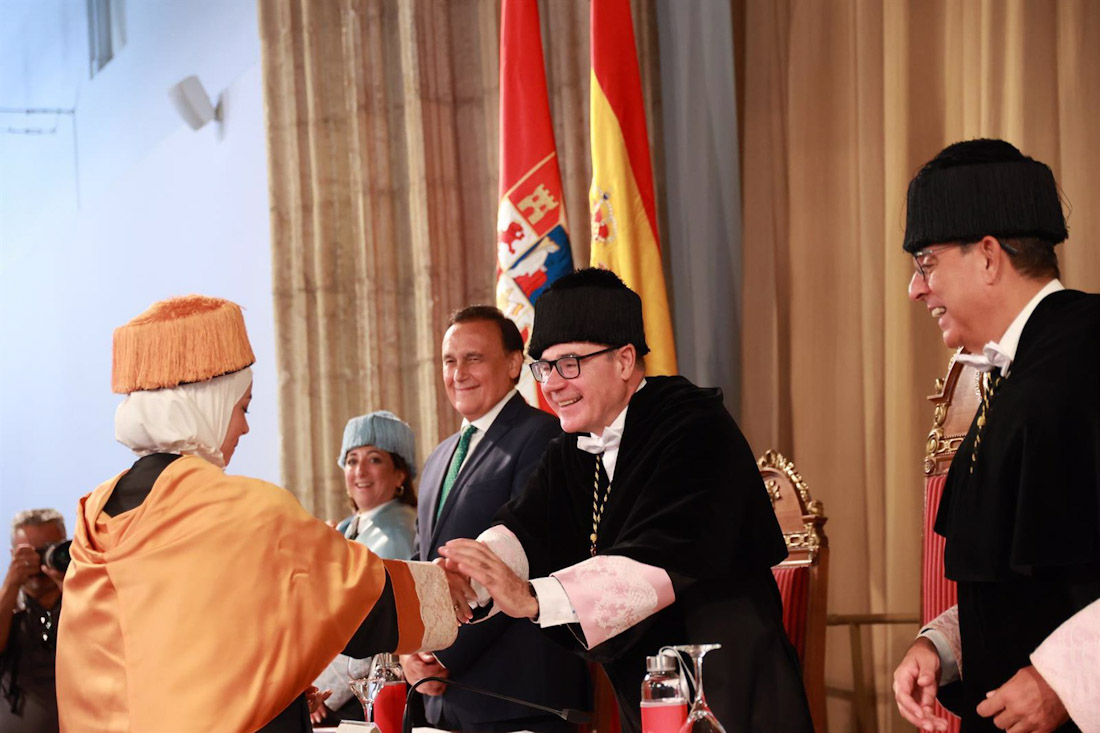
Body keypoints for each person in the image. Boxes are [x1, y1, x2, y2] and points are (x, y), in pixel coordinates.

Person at [56, 295, 462, 733]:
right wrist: (458, 586)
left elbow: (166, 657)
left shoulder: (95, 516)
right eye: (242, 407)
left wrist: (274, 679)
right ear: (206, 406)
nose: (244, 427)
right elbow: (363, 603)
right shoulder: (240, 509)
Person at [440, 271, 813, 733]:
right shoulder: (573, 448)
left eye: (569, 363)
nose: (552, 384)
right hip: (648, 692)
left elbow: (664, 554)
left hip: (730, 689)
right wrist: (467, 579)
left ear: (624, 360)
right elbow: (525, 528)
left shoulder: (693, 424)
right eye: (544, 366)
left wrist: (534, 598)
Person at [892, 139, 1100, 733]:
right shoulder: (1014, 375)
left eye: (926, 263)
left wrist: (1066, 678)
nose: (915, 289)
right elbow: (1026, 586)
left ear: (987, 256)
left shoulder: (1089, 355)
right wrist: (941, 649)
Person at [402, 305, 589, 732]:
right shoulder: (437, 459)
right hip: (444, 705)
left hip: (518, 698)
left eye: (473, 358)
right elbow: (421, 561)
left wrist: (442, 653)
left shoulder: (544, 436)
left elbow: (528, 559)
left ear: (512, 364)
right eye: (450, 361)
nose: (458, 373)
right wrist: (413, 649)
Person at [313, 410, 420, 724]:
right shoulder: (348, 527)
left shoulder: (399, 532)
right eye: (351, 460)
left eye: (374, 459)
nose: (359, 471)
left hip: (366, 700)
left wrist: (320, 689)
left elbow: (369, 630)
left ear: (400, 474)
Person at [1, 509, 66, 732]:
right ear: (13, 556)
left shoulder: (84, 605)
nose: (38, 561)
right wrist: (11, 585)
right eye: (29, 553)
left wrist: (71, 584)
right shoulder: (8, 613)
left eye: (47, 550)